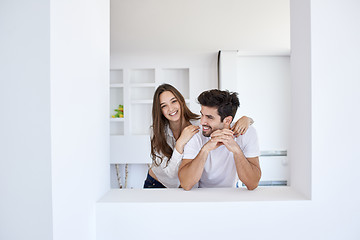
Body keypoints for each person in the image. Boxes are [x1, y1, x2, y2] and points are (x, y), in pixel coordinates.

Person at [143, 84, 254, 188]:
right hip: (158, 183)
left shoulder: (199, 124)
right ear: (160, 110)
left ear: (181, 101)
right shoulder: (156, 131)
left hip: (184, 186)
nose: (171, 108)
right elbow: (171, 175)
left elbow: (223, 122)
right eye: (164, 106)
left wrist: (247, 120)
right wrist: (180, 143)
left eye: (173, 101)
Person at [178, 89, 261, 190]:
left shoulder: (246, 133)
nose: (202, 122)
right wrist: (205, 149)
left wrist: (236, 151)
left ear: (227, 120)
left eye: (209, 117)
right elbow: (186, 184)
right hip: (200, 194)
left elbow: (252, 183)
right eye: (202, 115)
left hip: (231, 194)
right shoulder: (195, 134)